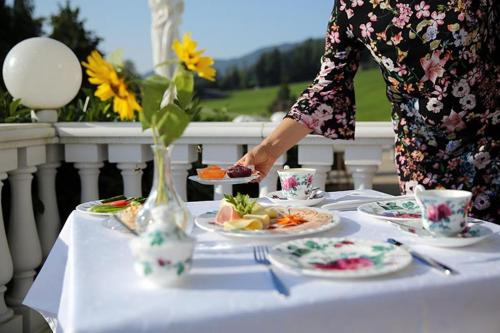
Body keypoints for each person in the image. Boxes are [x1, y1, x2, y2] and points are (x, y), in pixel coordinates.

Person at [238, 0, 499, 222]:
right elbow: (329, 85)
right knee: (440, 250)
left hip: (493, 138)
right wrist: (270, 148)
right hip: (422, 155)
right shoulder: (353, 6)